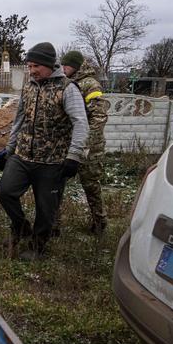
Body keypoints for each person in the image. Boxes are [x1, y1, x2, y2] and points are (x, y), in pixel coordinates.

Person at [0, 42, 89, 260]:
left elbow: (81, 123)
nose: (32, 70)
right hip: (23, 156)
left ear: (49, 65)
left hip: (52, 161)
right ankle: (21, 227)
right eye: (29, 66)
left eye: (36, 66)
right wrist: (10, 149)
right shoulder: (29, 86)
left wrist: (73, 156)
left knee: (46, 209)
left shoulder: (68, 89)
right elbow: (19, 118)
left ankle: (38, 246)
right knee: (5, 191)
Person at [59, 50, 109, 235]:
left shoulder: (89, 85)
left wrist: (86, 144)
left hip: (89, 147)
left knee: (90, 185)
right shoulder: (66, 83)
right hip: (68, 145)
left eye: (67, 65)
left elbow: (98, 117)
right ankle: (53, 223)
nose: (63, 68)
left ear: (76, 66)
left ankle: (99, 223)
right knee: (57, 183)